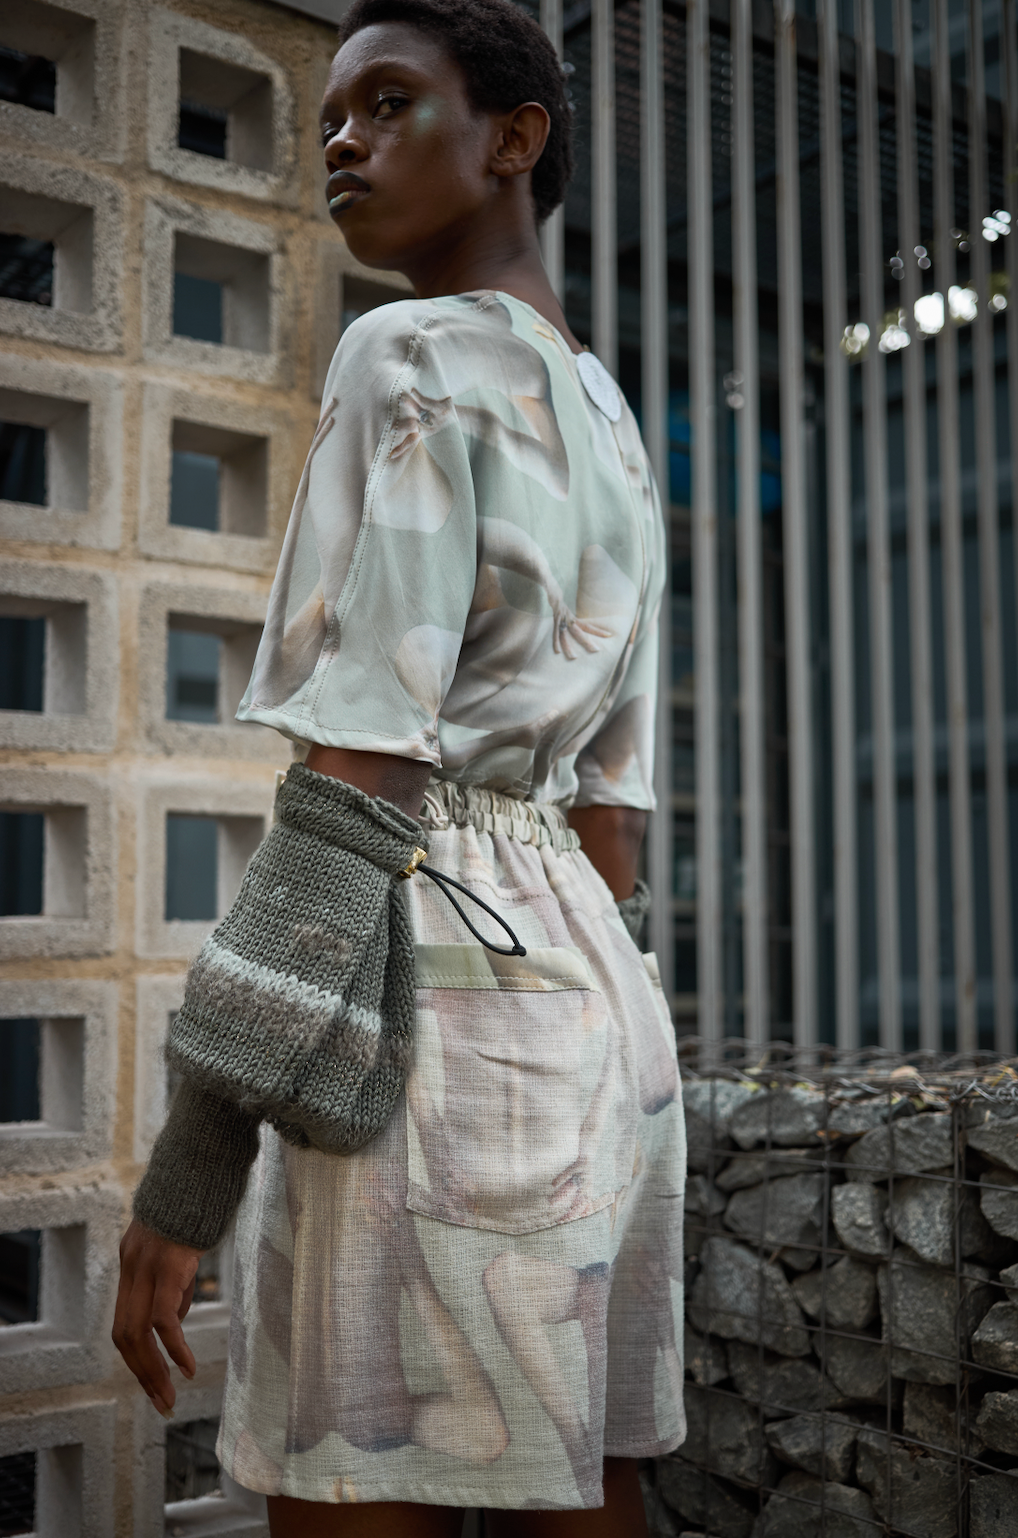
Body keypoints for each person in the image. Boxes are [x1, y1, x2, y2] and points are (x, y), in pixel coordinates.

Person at [113, 1, 686, 1532]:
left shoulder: (408, 350)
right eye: (329, 121)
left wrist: (194, 1159)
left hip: (427, 991)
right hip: (600, 1008)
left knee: (357, 1472)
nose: (341, 144)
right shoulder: (610, 414)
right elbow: (614, 808)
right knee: (585, 1466)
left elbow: (360, 772)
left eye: (386, 104)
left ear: (513, 139)